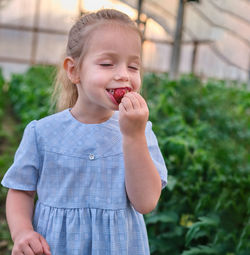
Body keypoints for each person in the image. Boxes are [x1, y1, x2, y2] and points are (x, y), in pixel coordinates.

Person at [1, 9, 167, 255]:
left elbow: (145, 202)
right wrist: (23, 232)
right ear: (74, 70)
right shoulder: (42, 133)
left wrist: (133, 136)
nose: (123, 75)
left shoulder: (140, 131)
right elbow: (21, 191)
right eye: (107, 63)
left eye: (133, 66)